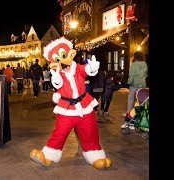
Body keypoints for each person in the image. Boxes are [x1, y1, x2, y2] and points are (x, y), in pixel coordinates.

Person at [30, 37, 111, 169]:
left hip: (85, 106)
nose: (62, 62)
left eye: (63, 56)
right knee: (59, 133)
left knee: (90, 132)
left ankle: (95, 156)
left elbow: (85, 70)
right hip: (66, 109)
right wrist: (55, 78)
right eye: (57, 59)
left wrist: (92, 68)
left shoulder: (77, 68)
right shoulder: (58, 74)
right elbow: (58, 83)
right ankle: (48, 156)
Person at [125, 51, 148, 116]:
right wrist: (142, 79)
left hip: (134, 84)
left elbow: (131, 75)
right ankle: (140, 113)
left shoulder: (134, 64)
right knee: (141, 98)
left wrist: (128, 82)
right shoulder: (144, 64)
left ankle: (129, 113)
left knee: (131, 98)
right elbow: (146, 75)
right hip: (142, 83)